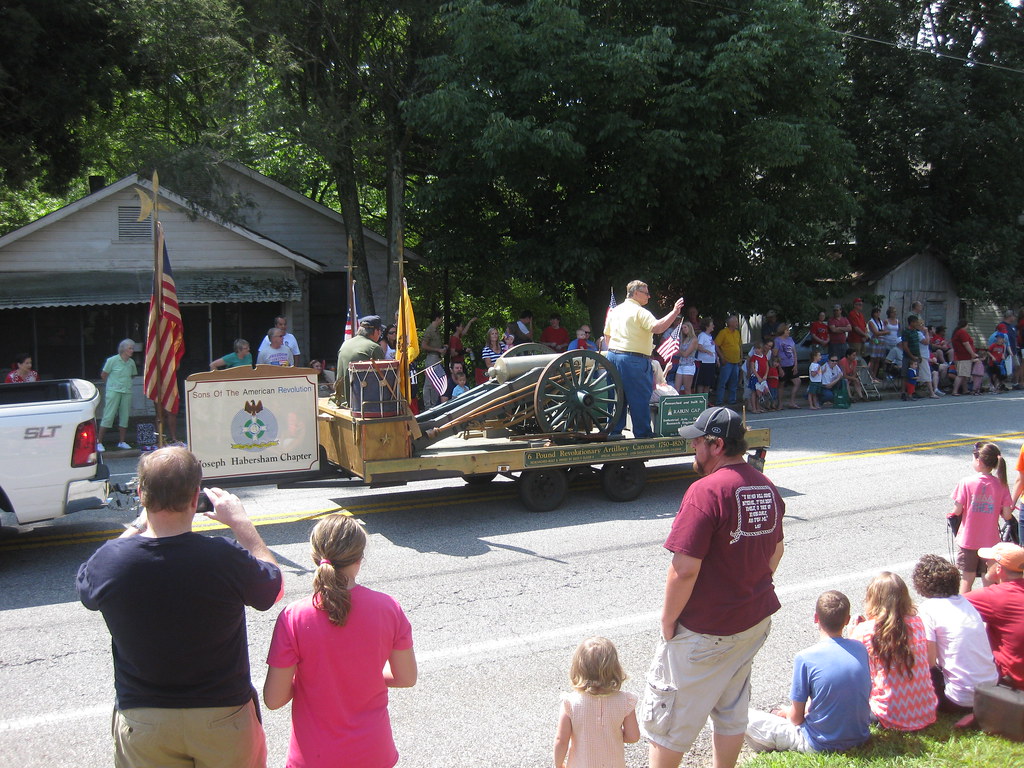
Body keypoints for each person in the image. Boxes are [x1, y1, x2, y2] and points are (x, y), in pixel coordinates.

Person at [76, 446, 282, 768]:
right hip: (223, 716)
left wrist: (138, 524)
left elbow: (87, 589)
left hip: (145, 719)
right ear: (195, 498)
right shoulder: (223, 557)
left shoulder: (110, 561)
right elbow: (274, 588)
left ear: (141, 494)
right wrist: (241, 523)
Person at [641, 407, 785, 768]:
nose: (692, 447)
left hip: (707, 630)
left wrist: (668, 622)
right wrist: (748, 584)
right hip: (753, 622)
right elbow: (776, 550)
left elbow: (684, 570)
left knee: (668, 724)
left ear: (716, 445)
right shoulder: (766, 486)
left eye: (697, 441)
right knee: (731, 708)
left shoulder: (705, 491)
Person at [264, 513, 416, 768]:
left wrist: (313, 680)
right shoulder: (388, 607)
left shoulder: (293, 616)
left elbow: (274, 699)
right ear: (360, 558)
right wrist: (362, 676)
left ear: (315, 557)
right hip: (373, 752)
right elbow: (406, 677)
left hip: (313, 757)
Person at [745, 591, 870, 754]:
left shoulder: (805, 658)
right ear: (847, 620)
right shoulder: (860, 649)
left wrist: (785, 712)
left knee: (740, 717)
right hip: (860, 737)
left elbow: (796, 719)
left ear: (816, 618)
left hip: (820, 742)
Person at [850, 572, 938, 731]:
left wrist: (852, 632)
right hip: (926, 710)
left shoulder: (865, 630)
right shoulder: (918, 623)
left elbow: (852, 667)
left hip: (888, 715)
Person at [911, 554, 998, 712]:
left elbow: (929, 661)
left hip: (960, 700)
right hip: (991, 691)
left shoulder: (928, 609)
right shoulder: (968, 602)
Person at [603, 280, 684, 439]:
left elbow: (607, 336)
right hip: (634, 360)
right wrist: (675, 312)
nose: (649, 296)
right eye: (646, 293)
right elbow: (658, 327)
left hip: (612, 357)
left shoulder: (615, 311)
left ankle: (613, 431)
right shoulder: (640, 312)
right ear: (636, 293)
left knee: (616, 397)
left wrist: (617, 351)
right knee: (639, 397)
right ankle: (643, 434)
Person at [553, 636, 639, 768]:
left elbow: (561, 740)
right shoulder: (625, 701)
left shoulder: (570, 703)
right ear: (615, 668)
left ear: (578, 668)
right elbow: (633, 736)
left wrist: (558, 764)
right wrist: (611, 735)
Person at [950, 441, 1013, 593]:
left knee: (967, 577)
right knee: (989, 576)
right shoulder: (1001, 484)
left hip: (968, 539)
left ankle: (965, 603)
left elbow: (957, 511)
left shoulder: (966, 483)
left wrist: (951, 514)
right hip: (990, 541)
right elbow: (1007, 514)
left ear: (978, 461)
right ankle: (989, 604)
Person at [965, 543, 1024, 690]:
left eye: (990, 561)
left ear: (999, 569)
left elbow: (952, 604)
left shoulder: (995, 596)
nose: (986, 563)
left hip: (1013, 683)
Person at [97, 339, 138, 452]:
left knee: (124, 416)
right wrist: (111, 385)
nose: (132, 351)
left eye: (132, 348)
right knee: (108, 415)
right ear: (123, 349)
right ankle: (99, 442)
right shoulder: (112, 360)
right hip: (113, 391)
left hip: (126, 391)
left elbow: (133, 375)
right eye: (130, 348)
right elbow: (104, 375)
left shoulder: (131, 362)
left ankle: (122, 441)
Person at [335, 315, 385, 406]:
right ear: (376, 331)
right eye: (380, 331)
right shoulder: (374, 347)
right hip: (362, 403)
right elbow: (384, 377)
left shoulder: (345, 344)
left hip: (341, 400)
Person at [420, 311, 448, 410]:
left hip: (437, 358)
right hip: (432, 358)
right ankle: (428, 406)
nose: (442, 320)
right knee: (429, 382)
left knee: (437, 380)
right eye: (441, 318)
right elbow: (423, 345)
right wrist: (438, 350)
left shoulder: (436, 330)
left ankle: (435, 404)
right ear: (437, 318)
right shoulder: (430, 330)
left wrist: (443, 348)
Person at [714, 313, 742, 408]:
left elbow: (739, 346)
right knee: (723, 381)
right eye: (735, 322)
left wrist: (740, 358)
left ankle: (732, 400)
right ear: (730, 323)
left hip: (736, 361)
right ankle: (719, 401)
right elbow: (716, 345)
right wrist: (721, 357)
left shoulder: (737, 333)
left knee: (734, 382)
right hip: (727, 361)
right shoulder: (723, 332)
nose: (737, 323)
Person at [774, 323, 800, 409]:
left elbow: (794, 353)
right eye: (787, 330)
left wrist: (795, 365)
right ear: (783, 331)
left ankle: (792, 402)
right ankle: (780, 404)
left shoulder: (790, 339)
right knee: (781, 384)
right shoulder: (777, 340)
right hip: (783, 365)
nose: (788, 332)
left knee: (797, 382)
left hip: (791, 364)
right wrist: (779, 368)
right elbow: (775, 355)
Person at [951, 318, 978, 396]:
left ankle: (965, 390)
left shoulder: (957, 332)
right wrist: (972, 353)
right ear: (965, 325)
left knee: (964, 374)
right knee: (961, 374)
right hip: (964, 357)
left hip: (960, 356)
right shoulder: (962, 332)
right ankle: (955, 391)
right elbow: (966, 343)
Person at [899, 315, 923, 401]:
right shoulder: (906, 332)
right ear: (911, 323)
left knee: (914, 374)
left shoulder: (916, 332)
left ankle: (912, 391)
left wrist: (919, 356)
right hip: (908, 356)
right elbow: (905, 346)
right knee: (905, 374)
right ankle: (903, 392)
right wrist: (911, 356)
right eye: (916, 322)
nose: (917, 324)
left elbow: (917, 345)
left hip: (916, 355)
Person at [673, 322, 698, 395]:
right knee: (676, 388)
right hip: (681, 365)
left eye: (685, 327)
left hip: (689, 366)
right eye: (682, 328)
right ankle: (676, 401)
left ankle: (690, 402)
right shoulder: (683, 339)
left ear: (690, 328)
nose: (683, 329)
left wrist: (678, 350)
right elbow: (679, 353)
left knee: (687, 388)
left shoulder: (694, 339)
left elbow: (686, 354)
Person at [693, 318, 717, 396]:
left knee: (708, 383)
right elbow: (698, 346)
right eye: (711, 324)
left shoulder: (710, 336)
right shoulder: (702, 335)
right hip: (703, 363)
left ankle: (705, 399)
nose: (713, 326)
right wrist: (707, 351)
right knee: (701, 382)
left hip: (711, 362)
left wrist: (717, 358)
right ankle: (700, 399)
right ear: (707, 326)